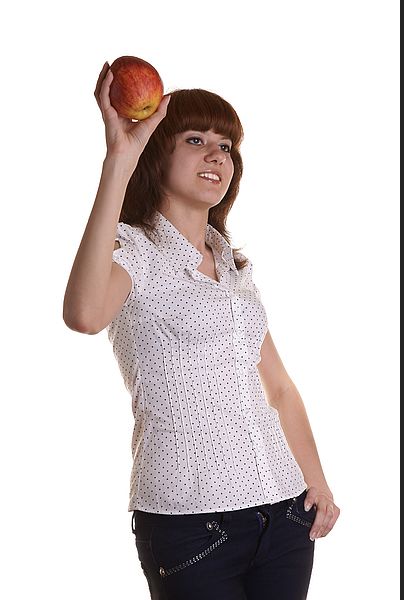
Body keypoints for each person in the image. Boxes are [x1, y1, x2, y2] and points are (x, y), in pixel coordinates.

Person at [63, 61, 340, 600]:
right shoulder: (133, 251)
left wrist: (317, 481)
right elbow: (85, 316)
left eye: (227, 146)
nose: (217, 155)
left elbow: (279, 388)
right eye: (196, 139)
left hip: (284, 512)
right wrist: (120, 157)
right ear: (157, 151)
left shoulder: (232, 264)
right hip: (190, 524)